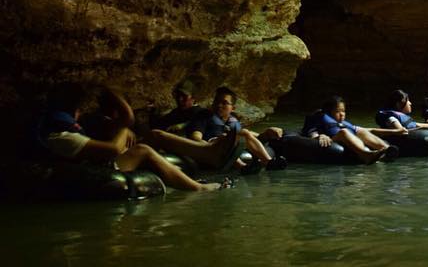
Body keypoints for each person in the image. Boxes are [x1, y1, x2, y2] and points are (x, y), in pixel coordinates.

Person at [35, 83, 230, 192]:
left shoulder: (71, 129)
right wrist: (125, 126)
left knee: (156, 136)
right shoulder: (63, 136)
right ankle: (197, 188)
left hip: (103, 158)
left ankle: (208, 153)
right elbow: (112, 149)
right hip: (95, 170)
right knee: (143, 150)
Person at [148, 86, 286, 171]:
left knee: (243, 133)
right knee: (238, 135)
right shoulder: (204, 116)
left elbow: (250, 136)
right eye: (217, 102)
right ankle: (245, 166)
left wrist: (266, 133)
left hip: (227, 145)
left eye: (224, 103)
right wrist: (212, 146)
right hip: (211, 147)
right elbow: (196, 138)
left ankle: (268, 162)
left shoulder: (233, 121)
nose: (219, 105)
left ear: (233, 108)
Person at [301, 96, 396, 163]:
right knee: (344, 132)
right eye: (338, 111)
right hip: (332, 140)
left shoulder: (343, 123)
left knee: (361, 131)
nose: (342, 114)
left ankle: (386, 149)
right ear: (328, 112)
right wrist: (320, 136)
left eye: (343, 111)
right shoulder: (319, 118)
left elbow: (367, 130)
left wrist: (394, 131)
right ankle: (366, 155)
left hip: (346, 138)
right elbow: (312, 133)